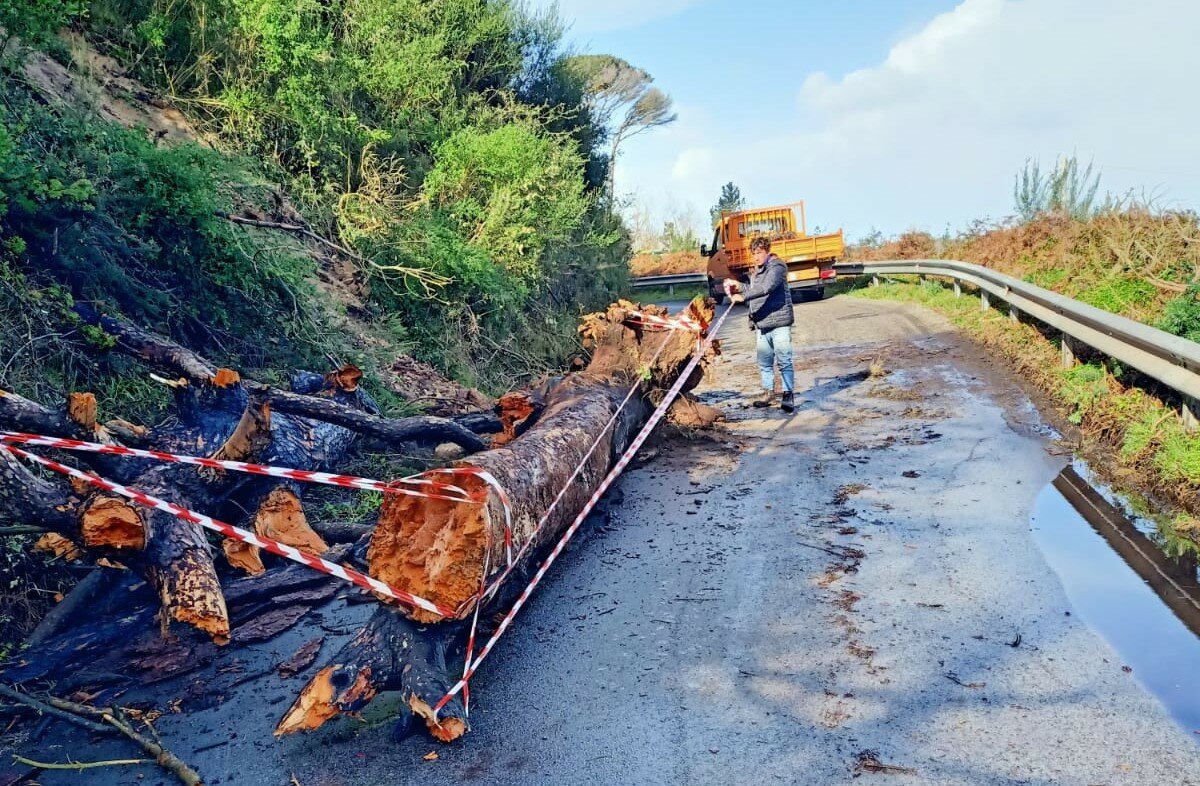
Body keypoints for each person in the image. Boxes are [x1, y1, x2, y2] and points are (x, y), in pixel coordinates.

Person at [724, 237, 795, 412]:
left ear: (767, 251)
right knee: (765, 362)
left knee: (784, 360)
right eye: (753, 253)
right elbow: (753, 290)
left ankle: (788, 395)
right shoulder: (757, 271)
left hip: (779, 323)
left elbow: (766, 288)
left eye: (759, 253)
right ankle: (768, 392)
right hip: (762, 324)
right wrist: (739, 286)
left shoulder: (777, 267)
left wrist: (743, 297)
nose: (756, 257)